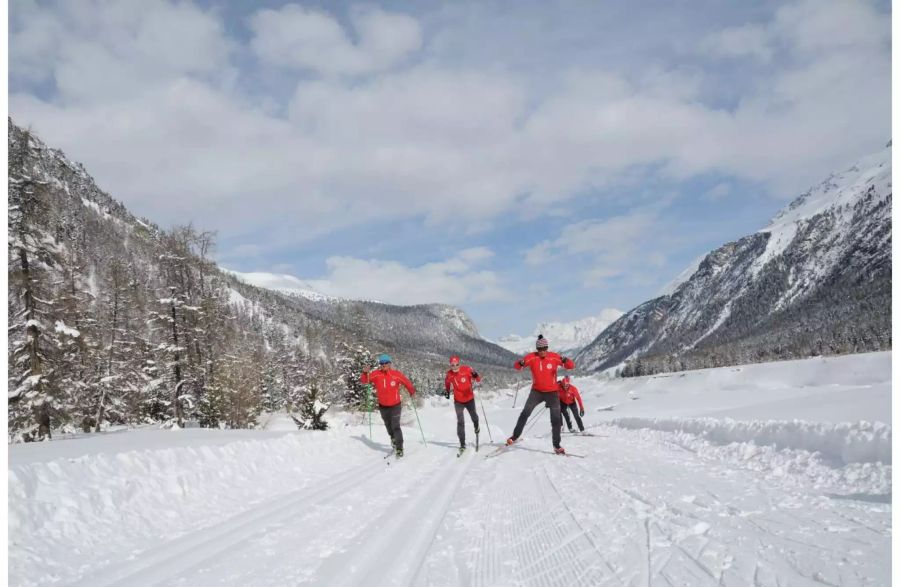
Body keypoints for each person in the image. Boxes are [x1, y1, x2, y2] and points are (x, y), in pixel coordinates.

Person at [507, 335, 575, 454]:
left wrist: (565, 360)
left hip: (552, 393)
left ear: (547, 348)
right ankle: (514, 436)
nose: (542, 351)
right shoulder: (532, 357)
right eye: (540, 349)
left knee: (556, 419)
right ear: (537, 349)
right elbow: (517, 367)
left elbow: (571, 366)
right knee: (525, 413)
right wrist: (521, 362)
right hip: (536, 392)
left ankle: (557, 445)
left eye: (544, 348)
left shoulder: (554, 357)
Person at [361, 354, 416, 457]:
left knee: (395, 426)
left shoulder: (396, 374)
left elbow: (406, 382)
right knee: (388, 425)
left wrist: (412, 391)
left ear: (390, 363)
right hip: (383, 406)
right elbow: (365, 381)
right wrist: (365, 372)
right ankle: (393, 439)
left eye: (386, 363)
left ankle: (399, 448)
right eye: (382, 363)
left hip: (395, 405)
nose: (384, 365)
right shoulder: (376, 374)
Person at [444, 355, 481, 453]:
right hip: (458, 401)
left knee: (474, 416)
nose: (455, 367)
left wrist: (475, 375)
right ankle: (462, 443)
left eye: (457, 365)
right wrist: (447, 391)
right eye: (453, 365)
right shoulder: (449, 374)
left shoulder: (467, 369)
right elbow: (447, 383)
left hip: (469, 399)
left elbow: (478, 379)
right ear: (450, 365)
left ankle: (476, 426)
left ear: (459, 364)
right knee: (460, 422)